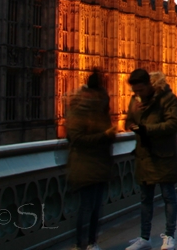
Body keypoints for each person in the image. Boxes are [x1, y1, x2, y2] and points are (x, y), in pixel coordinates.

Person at [125, 70, 177, 250]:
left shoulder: (168, 98)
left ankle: (170, 236)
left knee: (168, 196)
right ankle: (144, 237)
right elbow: (128, 122)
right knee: (145, 199)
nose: (137, 94)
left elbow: (174, 124)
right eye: (135, 91)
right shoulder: (136, 100)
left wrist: (147, 129)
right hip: (145, 155)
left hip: (163, 154)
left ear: (149, 85)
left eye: (140, 90)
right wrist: (133, 119)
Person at [66, 69, 115, 250]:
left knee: (95, 207)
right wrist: (104, 136)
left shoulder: (99, 110)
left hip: (100, 165)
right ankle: (82, 244)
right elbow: (75, 138)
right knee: (87, 207)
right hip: (85, 166)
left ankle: (91, 243)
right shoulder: (79, 110)